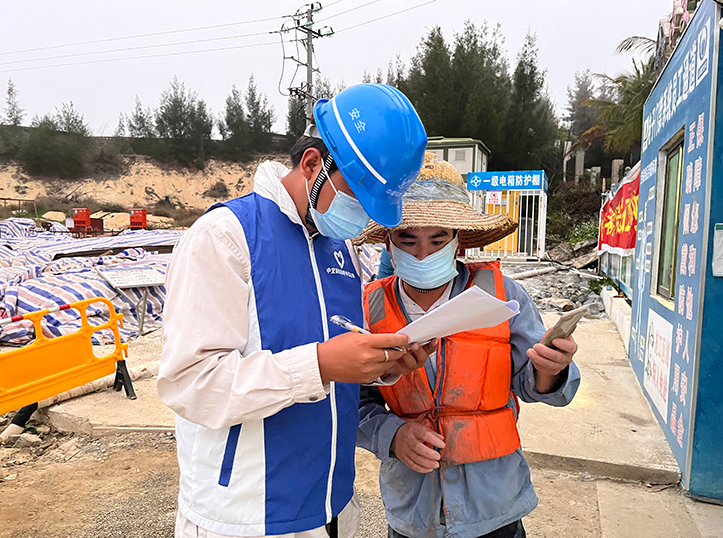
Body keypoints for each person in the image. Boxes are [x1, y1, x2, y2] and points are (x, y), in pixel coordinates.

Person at [158, 84, 435, 538]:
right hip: (247, 517)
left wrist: (381, 367)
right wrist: (320, 365)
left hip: (330, 505)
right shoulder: (224, 238)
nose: (362, 216)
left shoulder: (340, 248)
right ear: (311, 164)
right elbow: (191, 384)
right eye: (357, 196)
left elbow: (340, 355)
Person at [355, 153, 581, 538]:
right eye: (407, 239)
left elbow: (535, 386)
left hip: (495, 505)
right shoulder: (366, 308)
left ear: (458, 242)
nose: (422, 253)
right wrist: (391, 435)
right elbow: (353, 401)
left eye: (437, 239)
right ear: (388, 245)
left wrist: (551, 370)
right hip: (413, 510)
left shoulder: (504, 294)